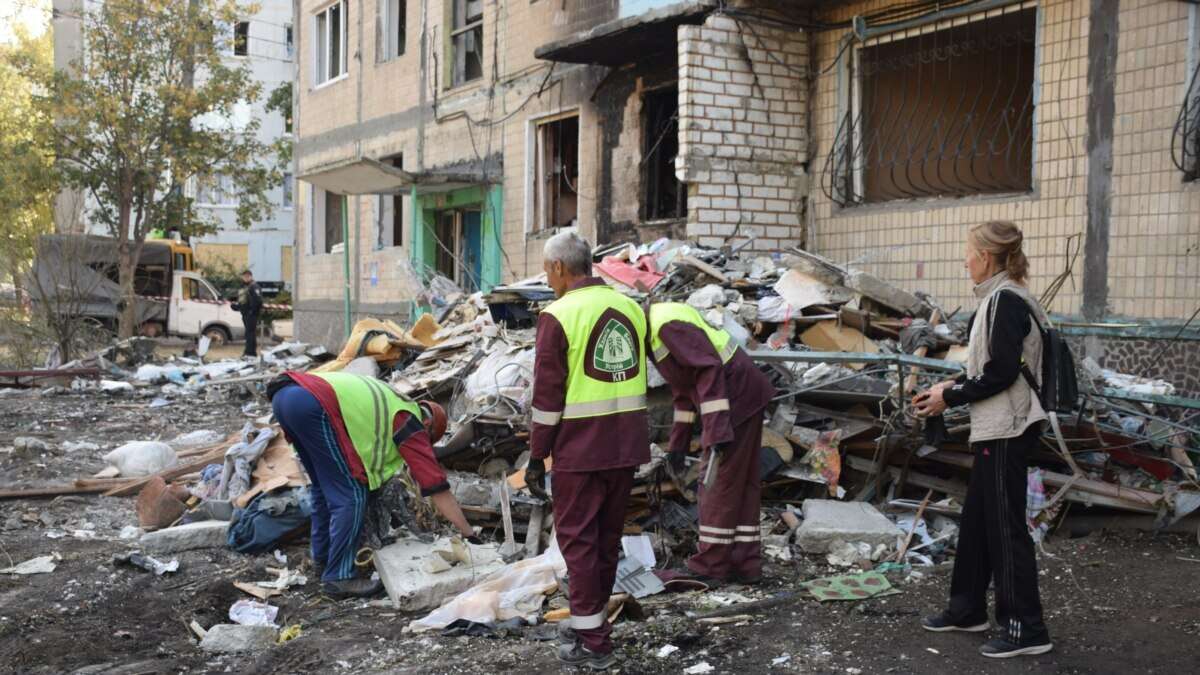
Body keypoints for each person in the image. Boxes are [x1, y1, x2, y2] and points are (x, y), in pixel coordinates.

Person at [912, 220, 1054, 658]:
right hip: (998, 424)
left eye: (968, 253)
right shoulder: (999, 298)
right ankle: (967, 608)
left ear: (986, 258)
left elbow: (1001, 373)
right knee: (977, 520)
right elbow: (988, 366)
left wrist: (949, 396)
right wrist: (946, 388)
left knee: (1005, 527)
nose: (964, 260)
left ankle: (1026, 628)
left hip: (1008, 426)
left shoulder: (1005, 301)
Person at [527, 231, 649, 670]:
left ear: (559, 268)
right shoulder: (631, 308)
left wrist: (536, 454)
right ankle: (591, 625)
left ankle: (594, 641)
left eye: (547, 270)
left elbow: (547, 396)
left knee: (578, 543)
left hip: (580, 449)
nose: (547, 277)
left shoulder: (558, 314)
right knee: (605, 540)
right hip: (626, 445)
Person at [268, 371, 476, 599]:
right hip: (311, 403)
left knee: (323, 489)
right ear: (428, 426)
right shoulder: (409, 421)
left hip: (287, 396)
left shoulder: (393, 402)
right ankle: (338, 577)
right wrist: (468, 533)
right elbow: (435, 485)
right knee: (351, 496)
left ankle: (323, 559)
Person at [648, 301, 775, 584]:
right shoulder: (658, 327)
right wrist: (677, 446)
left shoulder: (665, 326)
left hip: (737, 398)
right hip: (744, 393)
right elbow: (684, 390)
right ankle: (744, 563)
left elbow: (708, 368)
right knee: (739, 484)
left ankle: (710, 565)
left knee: (717, 482)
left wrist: (717, 431)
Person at [232, 270, 263, 358]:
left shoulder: (254, 286)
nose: (245, 278)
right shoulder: (245, 287)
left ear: (250, 276)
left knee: (250, 333)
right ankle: (249, 351)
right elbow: (243, 302)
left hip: (251, 315)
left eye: (247, 276)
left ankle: (250, 352)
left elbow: (258, 301)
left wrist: (252, 311)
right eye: (244, 276)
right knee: (248, 333)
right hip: (245, 313)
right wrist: (236, 307)